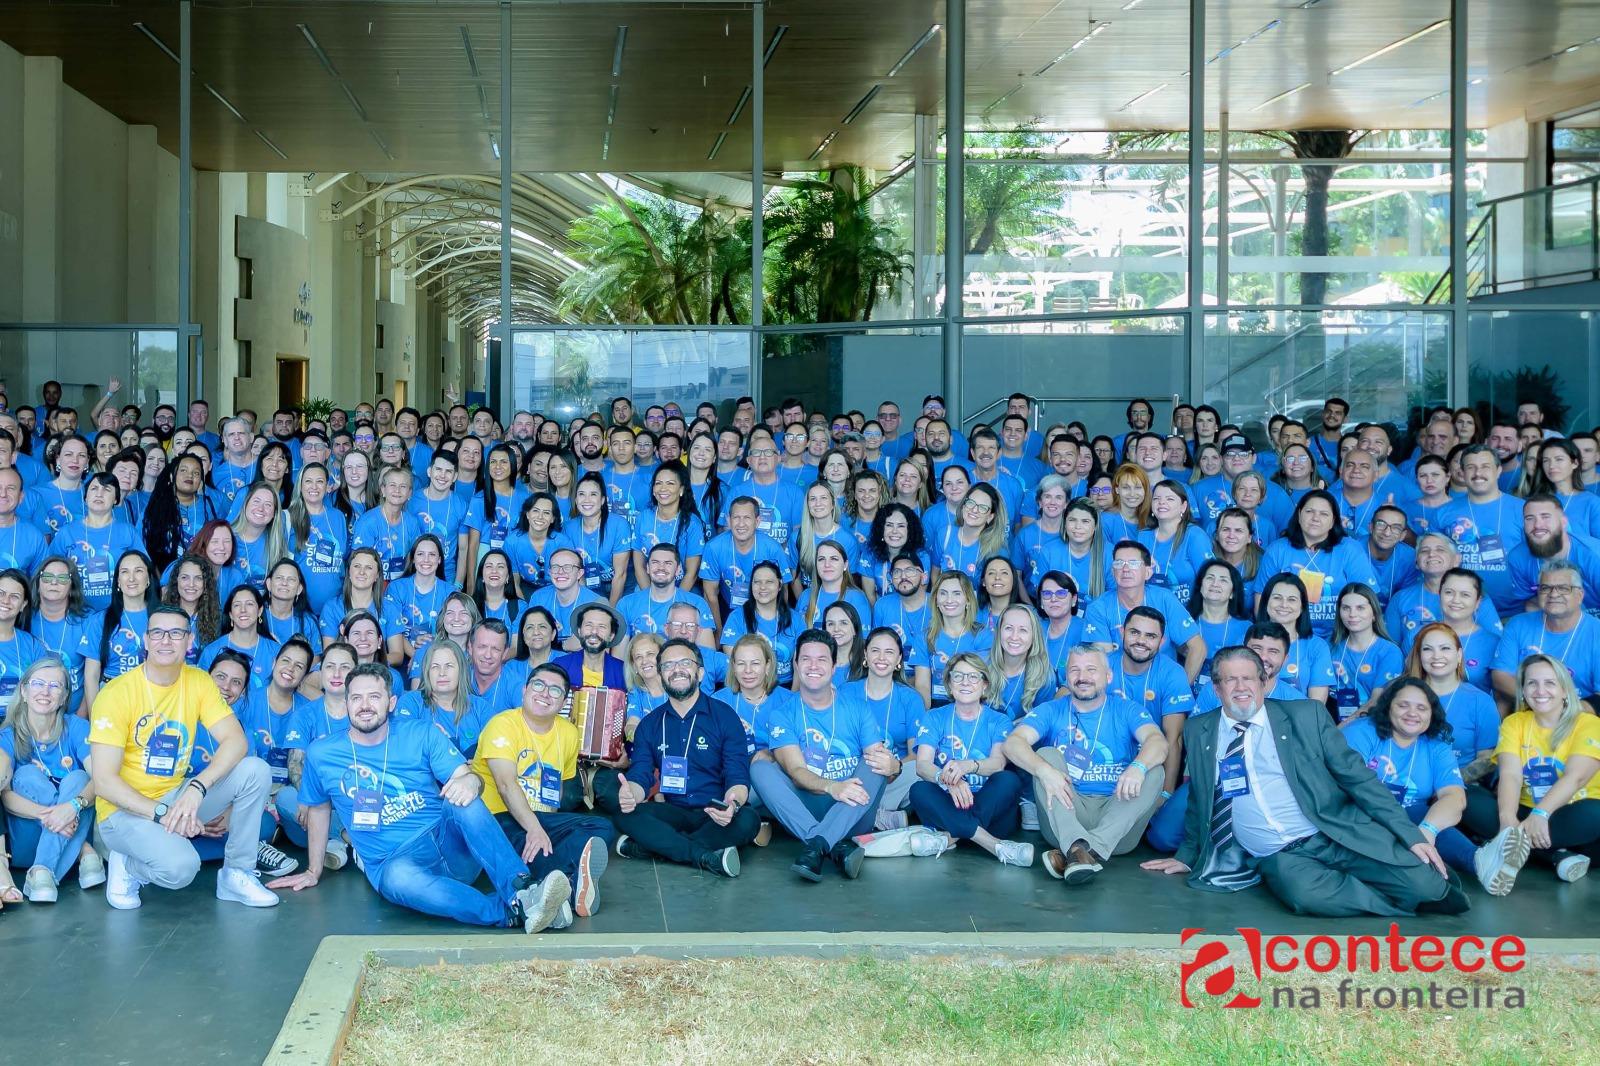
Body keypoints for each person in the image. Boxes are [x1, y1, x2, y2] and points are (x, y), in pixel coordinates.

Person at [1141, 646, 1468, 918]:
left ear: (1265, 682)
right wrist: (1187, 855)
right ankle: (1391, 905)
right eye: (1229, 680)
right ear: (1217, 689)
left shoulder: (1306, 715)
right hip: (1280, 855)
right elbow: (1201, 797)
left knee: (1428, 888)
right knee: (1307, 897)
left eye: (1248, 679)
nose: (1240, 687)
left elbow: (1359, 780)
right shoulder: (1200, 730)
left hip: (1332, 831)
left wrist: (1410, 835)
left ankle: (1393, 888)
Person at [267, 663, 574, 932]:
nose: (365, 705)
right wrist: (312, 870)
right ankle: (513, 913)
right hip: (396, 862)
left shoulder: (421, 732)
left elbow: (467, 778)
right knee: (397, 878)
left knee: (463, 801)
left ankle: (522, 890)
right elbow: (319, 810)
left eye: (374, 697)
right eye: (356, 698)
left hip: (448, 843)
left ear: (391, 702)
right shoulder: (323, 753)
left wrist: (471, 782)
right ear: (345, 703)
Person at [89, 605, 279, 910]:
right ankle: (128, 867)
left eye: (176, 633)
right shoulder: (116, 693)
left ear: (188, 641)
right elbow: (104, 782)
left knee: (255, 770)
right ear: (146, 640)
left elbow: (236, 741)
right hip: (123, 811)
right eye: (158, 633)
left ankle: (236, 874)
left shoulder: (198, 681)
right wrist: (162, 813)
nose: (167, 640)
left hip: (176, 796)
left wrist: (197, 787)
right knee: (181, 869)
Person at [1001, 643, 1166, 884]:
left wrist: (1138, 767)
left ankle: (1079, 851)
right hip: (1066, 816)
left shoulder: (1126, 709)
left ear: (1108, 676)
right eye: (1075, 670)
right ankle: (1079, 848)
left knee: (1154, 770)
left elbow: (1158, 742)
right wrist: (1044, 770)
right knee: (1045, 755)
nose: (1082, 677)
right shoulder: (1051, 709)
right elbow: (1012, 743)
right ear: (1066, 676)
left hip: (1117, 821)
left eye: (1091, 669)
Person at [751, 629, 899, 881]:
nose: (813, 666)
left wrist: (894, 766)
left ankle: (816, 845)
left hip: (853, 810)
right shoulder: (783, 714)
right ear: (796, 665)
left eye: (821, 659)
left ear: (833, 668)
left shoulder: (857, 708)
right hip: (808, 807)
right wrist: (833, 787)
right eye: (805, 659)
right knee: (759, 768)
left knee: (875, 761)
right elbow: (797, 773)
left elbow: (882, 770)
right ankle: (829, 844)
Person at [472, 661, 615, 917]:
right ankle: (571, 881)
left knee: (601, 827)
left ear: (563, 702)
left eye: (555, 690)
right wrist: (535, 830)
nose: (545, 693)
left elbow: (560, 789)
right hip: (497, 819)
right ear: (525, 690)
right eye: (538, 685)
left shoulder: (569, 733)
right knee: (532, 845)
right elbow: (506, 785)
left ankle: (565, 884)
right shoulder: (502, 724)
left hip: (540, 818)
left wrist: (544, 829)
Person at [614, 639, 758, 875]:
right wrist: (631, 793)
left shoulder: (725, 717)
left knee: (747, 820)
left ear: (700, 673)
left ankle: (656, 847)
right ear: (660, 676)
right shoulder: (650, 725)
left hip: (714, 811)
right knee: (624, 814)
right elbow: (640, 774)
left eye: (684, 663)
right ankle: (702, 855)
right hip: (673, 811)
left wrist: (731, 804)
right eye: (668, 665)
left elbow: (737, 776)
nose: (677, 669)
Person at [1459, 654, 1600, 894]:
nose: (1540, 690)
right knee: (1463, 796)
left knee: (1596, 813)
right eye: (1532, 683)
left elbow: (1575, 777)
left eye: (1550, 683)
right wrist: (1506, 821)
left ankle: (1507, 849)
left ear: (1565, 690)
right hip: (1522, 812)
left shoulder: (1588, 723)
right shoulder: (1515, 723)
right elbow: (1511, 775)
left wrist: (1541, 814)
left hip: (1569, 813)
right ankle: (1556, 855)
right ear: (1522, 690)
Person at [1341, 678, 1475, 880]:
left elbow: (1454, 797)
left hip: (1411, 817)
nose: (1412, 713)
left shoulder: (1437, 744)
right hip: (1361, 813)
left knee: (1430, 815)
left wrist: (1427, 830)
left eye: (1422, 708)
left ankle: (1479, 862)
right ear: (1387, 707)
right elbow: (1349, 786)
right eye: (1403, 705)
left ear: (1431, 713)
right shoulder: (1360, 732)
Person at [908, 652, 1032, 866]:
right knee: (919, 790)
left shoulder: (999, 720)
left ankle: (947, 839)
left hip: (989, 809)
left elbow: (998, 763)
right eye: (958, 676)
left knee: (1008, 780)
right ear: (949, 683)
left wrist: (969, 766)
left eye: (973, 677)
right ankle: (995, 845)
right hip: (950, 804)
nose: (965, 682)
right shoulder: (935, 717)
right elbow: (922, 765)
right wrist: (946, 780)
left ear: (984, 684)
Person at [0, 657, 102, 903]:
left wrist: (73, 806)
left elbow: (101, 780)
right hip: (29, 838)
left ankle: (42, 871)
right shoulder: (8, 734)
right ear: (23, 691)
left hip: (69, 824)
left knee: (80, 778)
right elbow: (5, 794)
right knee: (26, 776)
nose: (45, 692)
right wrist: (53, 815)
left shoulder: (76, 726)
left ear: (65, 695)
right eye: (37, 683)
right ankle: (84, 853)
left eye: (55, 686)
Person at [1082, 540, 1204, 680]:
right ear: (1113, 571)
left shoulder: (1164, 598)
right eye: (1119, 563)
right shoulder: (1098, 608)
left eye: (1133, 563)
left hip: (1162, 681)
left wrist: (1181, 688)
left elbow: (1198, 647)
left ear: (1147, 572)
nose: (1125, 569)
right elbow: (1105, 663)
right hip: (1119, 685)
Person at [1491, 559, 1600, 705]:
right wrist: (1538, 703)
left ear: (1580, 595)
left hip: (1579, 715)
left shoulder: (1596, 632)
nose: (1553, 594)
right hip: (1527, 708)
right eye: (1545, 588)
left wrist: (1560, 711)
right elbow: (1500, 676)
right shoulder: (1518, 624)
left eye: (1563, 588)